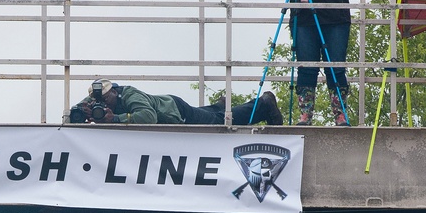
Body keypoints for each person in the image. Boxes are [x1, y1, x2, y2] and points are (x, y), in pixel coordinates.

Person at [69, 79, 284, 128]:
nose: (103, 104)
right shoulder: (96, 99)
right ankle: (218, 105)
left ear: (115, 92)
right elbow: (74, 115)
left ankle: (263, 105)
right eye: (99, 101)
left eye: (106, 99)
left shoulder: (129, 95)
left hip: (175, 112)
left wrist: (113, 118)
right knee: (212, 114)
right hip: (172, 107)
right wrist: (82, 112)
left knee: (217, 123)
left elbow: (148, 118)